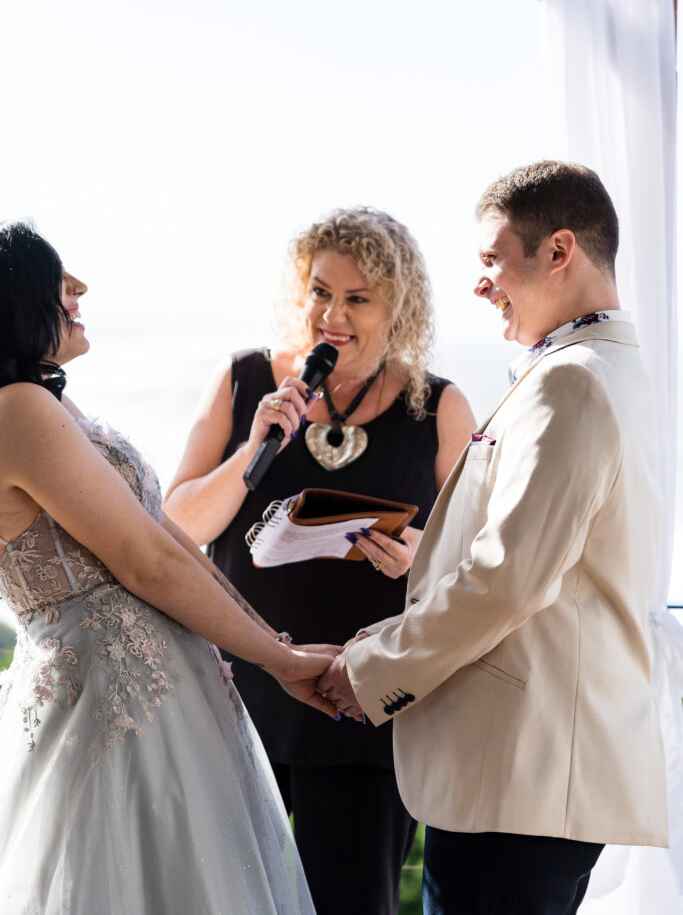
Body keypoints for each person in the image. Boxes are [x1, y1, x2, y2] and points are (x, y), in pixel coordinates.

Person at [319, 163, 669, 915]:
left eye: (490, 259)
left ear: (559, 250)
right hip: (540, 780)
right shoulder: (611, 371)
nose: (479, 284)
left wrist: (370, 669)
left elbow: (506, 580)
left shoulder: (569, 381)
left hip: (516, 779)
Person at [0, 219, 340, 915]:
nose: (78, 288)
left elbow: (163, 535)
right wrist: (279, 663)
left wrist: (276, 647)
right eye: (55, 277)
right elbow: (146, 562)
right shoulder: (17, 410)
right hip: (110, 708)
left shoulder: (48, 399)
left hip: (160, 695)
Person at [164, 206, 476, 915]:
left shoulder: (441, 408)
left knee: (352, 900)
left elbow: (480, 560)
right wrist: (253, 450)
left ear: (397, 305)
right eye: (318, 291)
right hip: (238, 689)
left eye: (356, 298)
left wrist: (419, 557)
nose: (331, 315)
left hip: (364, 699)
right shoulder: (244, 380)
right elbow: (175, 531)